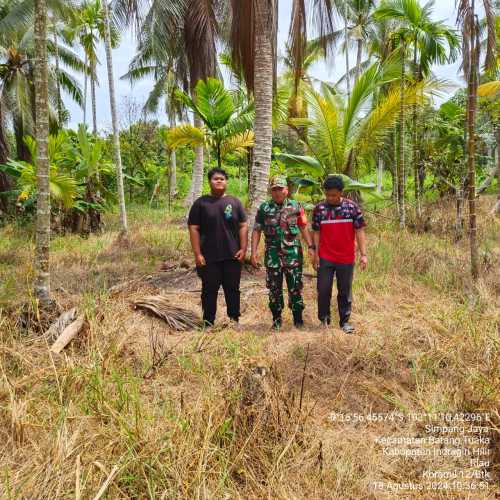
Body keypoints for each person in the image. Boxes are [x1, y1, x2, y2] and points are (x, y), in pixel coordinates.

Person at [251, 175, 315, 330]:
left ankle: (298, 320)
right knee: (274, 289)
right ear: (270, 191)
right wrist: (253, 252)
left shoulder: (296, 206)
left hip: (292, 255)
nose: (277, 192)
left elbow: (303, 227)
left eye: (280, 189)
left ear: (286, 190)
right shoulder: (264, 208)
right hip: (272, 256)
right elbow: (257, 230)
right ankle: (277, 320)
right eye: (274, 189)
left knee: (295, 287)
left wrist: (311, 247)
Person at [188, 167, 248, 327]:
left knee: (233, 289)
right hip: (208, 257)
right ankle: (208, 322)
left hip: (232, 255)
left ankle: (234, 320)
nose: (219, 181)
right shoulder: (201, 203)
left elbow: (243, 226)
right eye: (216, 178)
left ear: (226, 181)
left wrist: (244, 248)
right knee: (209, 290)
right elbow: (193, 228)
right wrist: (197, 253)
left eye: (222, 178)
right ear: (210, 182)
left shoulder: (235, 202)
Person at [311, 175, 367, 334]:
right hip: (325, 256)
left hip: (346, 257)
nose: (330, 198)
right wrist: (315, 253)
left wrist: (363, 254)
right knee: (323, 289)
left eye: (334, 195)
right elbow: (316, 232)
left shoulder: (352, 208)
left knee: (344, 290)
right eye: (328, 194)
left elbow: (360, 231)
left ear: (341, 193)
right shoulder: (319, 209)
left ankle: (344, 322)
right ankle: (324, 320)